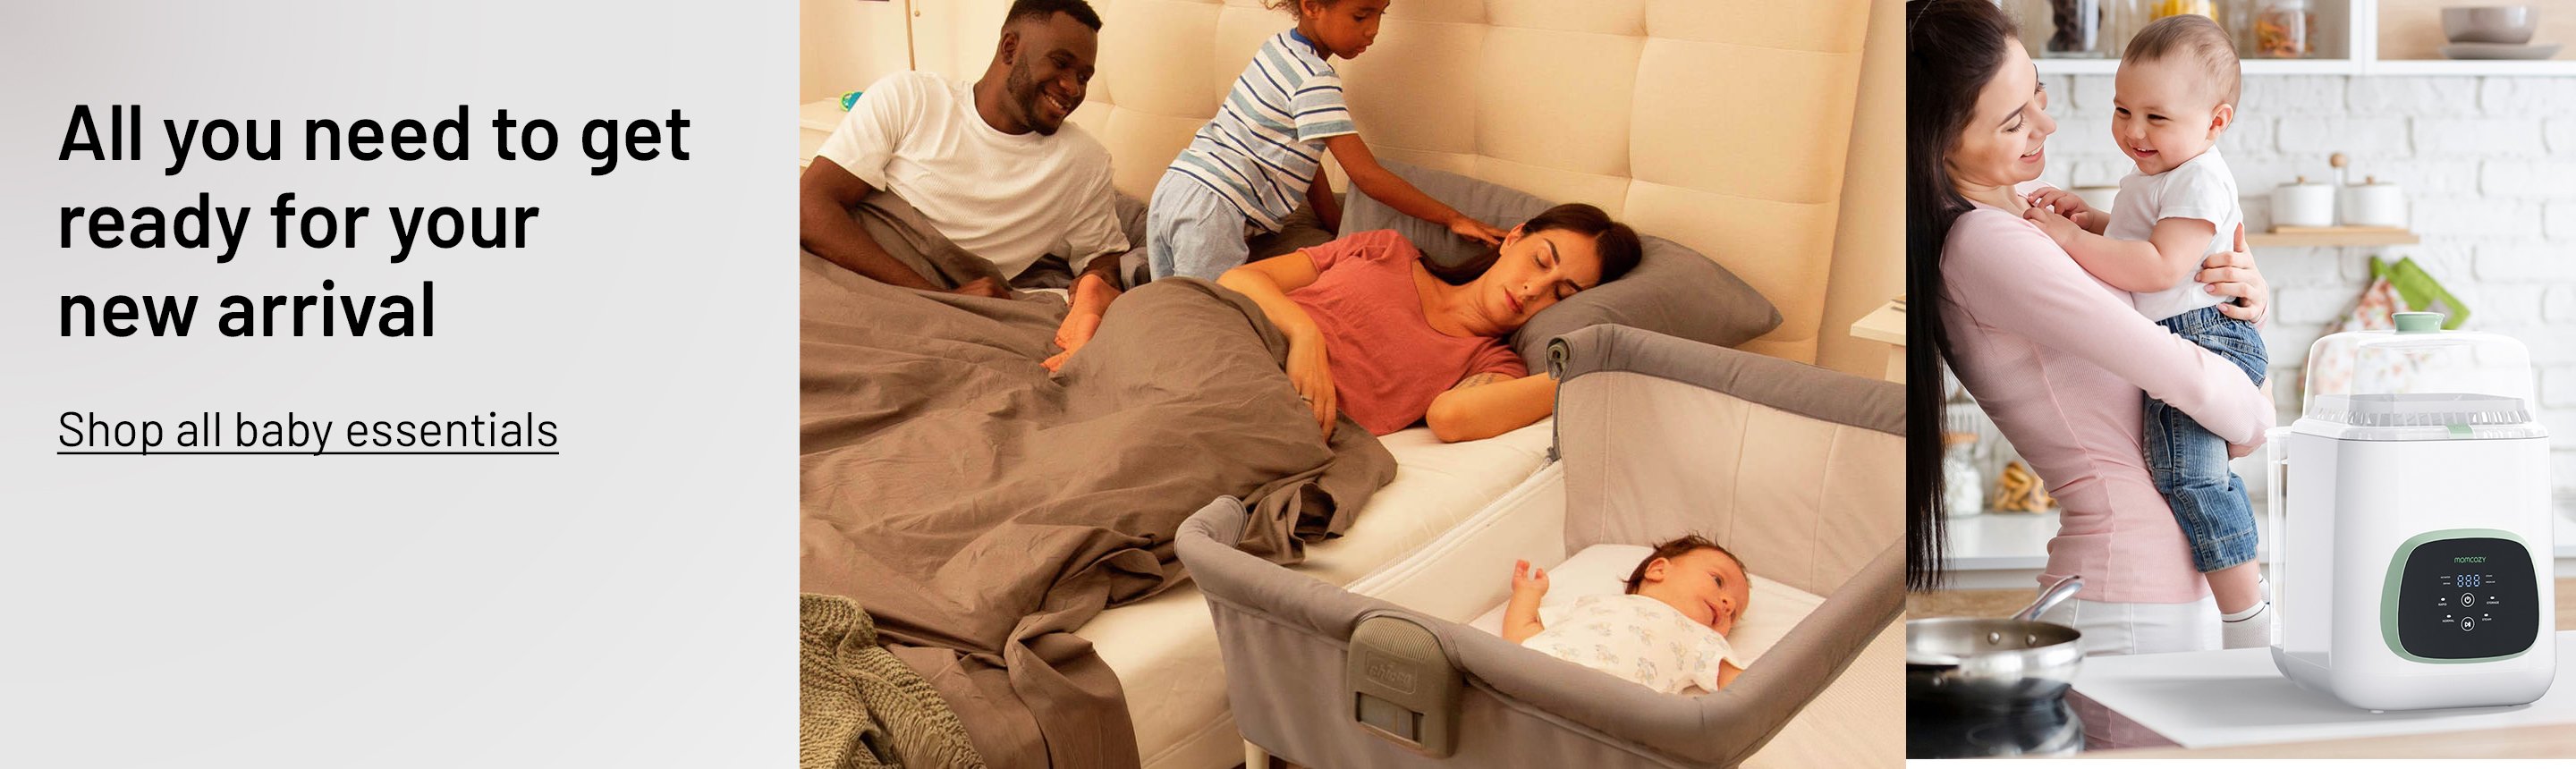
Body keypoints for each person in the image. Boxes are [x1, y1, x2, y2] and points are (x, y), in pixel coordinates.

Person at [1903, 0, 2277, 655]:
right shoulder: (1986, 244)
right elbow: (2200, 389)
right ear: (1937, 136)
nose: (2046, 124)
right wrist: (2254, 411)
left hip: (2158, 579)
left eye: (2039, 96)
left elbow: (2184, 353)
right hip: (2132, 588)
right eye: (2016, 120)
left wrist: (2238, 301)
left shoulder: (2026, 222)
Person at [2021, 15, 2273, 648]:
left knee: (2193, 478)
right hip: (2184, 335)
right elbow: (2143, 241)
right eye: (2122, 110)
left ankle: (2247, 615)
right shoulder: (2159, 175)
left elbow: (2162, 265)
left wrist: (2072, 239)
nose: (2133, 131)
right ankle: (2241, 605)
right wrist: (2096, 220)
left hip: (2203, 335)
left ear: (2216, 123)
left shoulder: (2199, 177)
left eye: (2156, 118)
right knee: (2186, 471)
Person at [799, 0, 1131, 347]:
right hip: (847, 275)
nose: (1073, 88)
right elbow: (809, 204)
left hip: (938, 318)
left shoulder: (1084, 163)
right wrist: (940, 298)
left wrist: (1093, 290)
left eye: (1083, 77)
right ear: (1010, 48)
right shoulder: (911, 98)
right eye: (1061, 64)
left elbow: (1102, 257)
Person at [1144, 0, 1507, 283]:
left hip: (1178, 186)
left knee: (1168, 307)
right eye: (1361, 16)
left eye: (1381, 14)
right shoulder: (1315, 79)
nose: (1374, 31)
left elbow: (1302, 154)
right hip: (1213, 212)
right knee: (1199, 321)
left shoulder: (1279, 49)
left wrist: (1336, 226)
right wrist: (1452, 218)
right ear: (1312, 6)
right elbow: (1366, 175)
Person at [1502, 536, 1751, 695]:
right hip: (1536, 673)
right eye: (1718, 580)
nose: (1728, 604)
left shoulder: (1702, 638)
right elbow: (1522, 637)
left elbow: (1743, 692)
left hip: (1609, 706)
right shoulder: (1593, 603)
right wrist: (1527, 593)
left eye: (1735, 613)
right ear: (1658, 570)